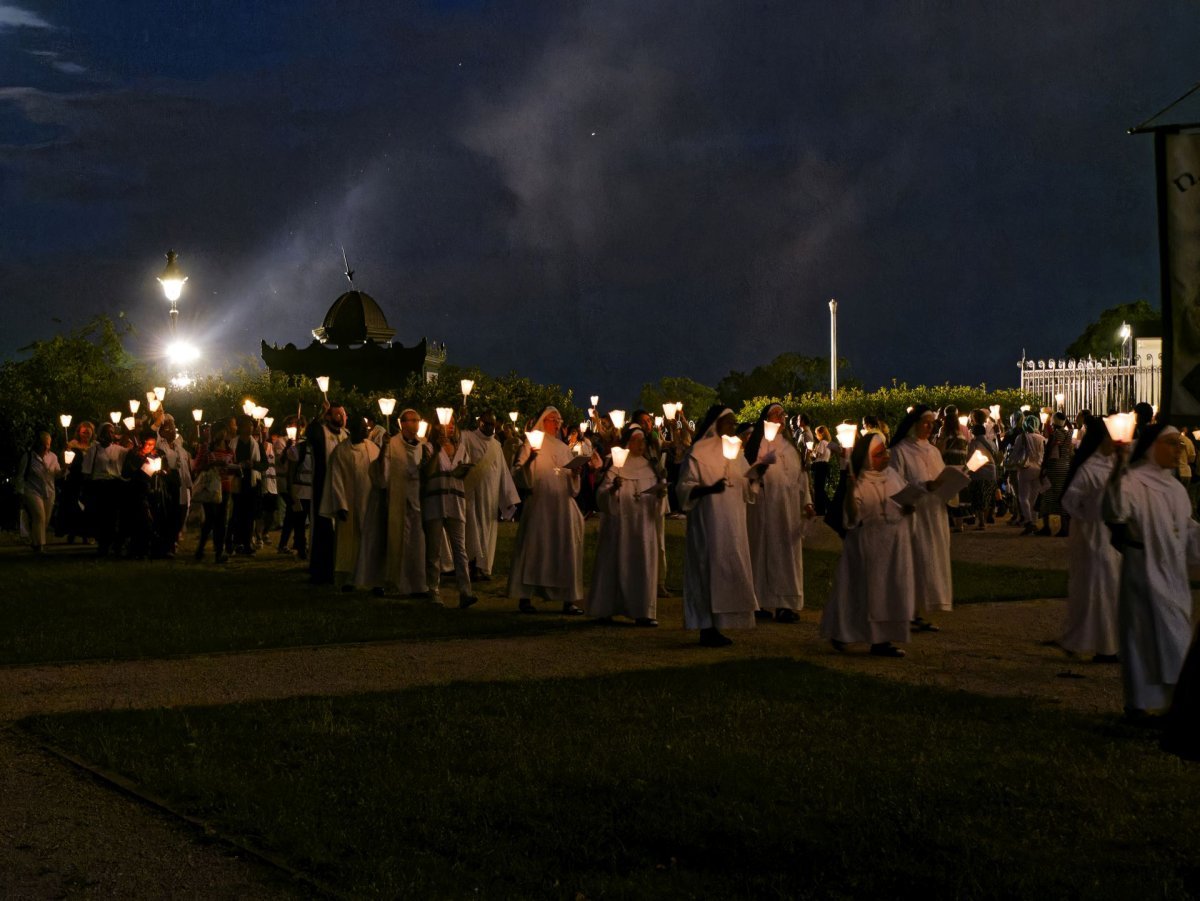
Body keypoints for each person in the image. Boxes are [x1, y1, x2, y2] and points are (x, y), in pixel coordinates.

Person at [1104, 423, 1200, 722]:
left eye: (1180, 445)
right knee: (1143, 637)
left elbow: (1187, 530)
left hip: (1171, 572)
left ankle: (1175, 704)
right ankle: (1141, 706)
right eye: (1171, 443)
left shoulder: (1174, 488)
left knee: (1177, 634)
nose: (1178, 450)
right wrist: (1119, 468)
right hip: (1143, 569)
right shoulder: (1133, 481)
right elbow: (1116, 511)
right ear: (1150, 447)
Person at [820, 432, 915, 656]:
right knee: (863, 593)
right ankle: (845, 633)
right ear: (867, 458)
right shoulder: (860, 481)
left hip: (892, 545)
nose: (885, 457)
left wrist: (909, 507)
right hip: (867, 548)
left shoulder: (893, 476)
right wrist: (851, 492)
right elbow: (851, 518)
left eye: (885, 452)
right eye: (879, 454)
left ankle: (883, 640)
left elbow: (902, 503)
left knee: (889, 591)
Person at [677, 405, 764, 647]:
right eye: (730, 422)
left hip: (732, 523)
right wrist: (709, 489)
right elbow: (684, 488)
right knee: (707, 570)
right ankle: (706, 626)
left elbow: (746, 485)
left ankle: (720, 623)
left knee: (727, 569)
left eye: (735, 424)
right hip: (708, 524)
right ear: (717, 423)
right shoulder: (698, 452)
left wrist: (758, 473)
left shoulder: (735, 451)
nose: (733, 428)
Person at [508, 406, 586, 615]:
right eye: (553, 419)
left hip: (562, 508)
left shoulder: (563, 448)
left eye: (559, 419)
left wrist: (575, 474)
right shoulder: (531, 442)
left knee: (564, 551)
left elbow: (573, 488)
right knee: (535, 549)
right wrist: (531, 460)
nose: (558, 423)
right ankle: (526, 597)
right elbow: (517, 473)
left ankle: (568, 600)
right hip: (540, 507)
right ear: (543, 421)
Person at [587, 425, 667, 626]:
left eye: (643, 441)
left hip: (643, 526)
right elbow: (601, 497)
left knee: (642, 565)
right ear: (628, 443)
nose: (641, 445)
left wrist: (660, 496)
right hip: (619, 526)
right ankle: (607, 608)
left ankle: (643, 611)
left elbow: (658, 504)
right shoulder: (615, 466)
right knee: (614, 563)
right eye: (637, 441)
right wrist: (613, 489)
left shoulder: (650, 467)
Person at [1059, 417, 1120, 663]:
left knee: (1110, 588)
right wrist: (1088, 516)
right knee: (1099, 589)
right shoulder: (1089, 468)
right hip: (1094, 534)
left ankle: (1097, 641)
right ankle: (1105, 647)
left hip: (1112, 534)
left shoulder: (1116, 463)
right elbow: (1069, 499)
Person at [744, 403, 812, 623]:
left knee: (787, 556)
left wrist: (807, 502)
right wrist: (759, 470)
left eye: (783, 415)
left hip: (787, 510)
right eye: (776, 414)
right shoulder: (756, 444)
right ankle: (759, 601)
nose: (781, 418)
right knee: (761, 552)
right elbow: (746, 474)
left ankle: (785, 604)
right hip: (764, 508)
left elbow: (801, 478)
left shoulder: (790, 447)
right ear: (765, 418)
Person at [889, 406, 952, 631]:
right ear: (913, 424)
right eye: (925, 422)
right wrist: (923, 486)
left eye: (931, 423)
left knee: (928, 562)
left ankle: (917, 612)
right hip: (913, 514)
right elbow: (894, 483)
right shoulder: (900, 450)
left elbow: (942, 477)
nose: (929, 426)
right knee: (912, 561)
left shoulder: (933, 451)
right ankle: (906, 612)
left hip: (933, 514)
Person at [420, 414, 478, 608]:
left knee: (460, 549)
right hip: (435, 502)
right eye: (446, 422)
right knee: (434, 549)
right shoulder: (427, 448)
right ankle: (433, 590)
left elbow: (464, 475)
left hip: (455, 502)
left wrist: (464, 471)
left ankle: (465, 591)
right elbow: (426, 473)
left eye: (453, 423)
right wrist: (437, 450)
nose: (450, 426)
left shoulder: (461, 449)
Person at [461, 411, 520, 582]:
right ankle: (472, 566)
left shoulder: (496, 445)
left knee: (488, 532)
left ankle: (483, 567)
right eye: (486, 424)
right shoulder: (468, 438)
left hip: (492, 497)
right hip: (473, 493)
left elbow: (503, 473)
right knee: (473, 530)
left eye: (492, 425)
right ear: (479, 422)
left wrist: (508, 499)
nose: (489, 428)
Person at [376, 408, 427, 596]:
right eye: (413, 420)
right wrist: (383, 449)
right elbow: (383, 473)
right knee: (399, 541)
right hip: (399, 500)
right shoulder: (393, 444)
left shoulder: (423, 445)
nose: (417, 423)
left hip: (419, 500)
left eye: (418, 420)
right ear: (403, 424)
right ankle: (398, 583)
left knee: (418, 544)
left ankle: (419, 584)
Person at [330, 414, 379, 590]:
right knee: (350, 542)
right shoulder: (341, 451)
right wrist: (340, 504)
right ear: (352, 430)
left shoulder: (373, 448)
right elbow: (336, 479)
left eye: (365, 427)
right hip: (349, 504)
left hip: (370, 503)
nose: (365, 430)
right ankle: (349, 577)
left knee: (371, 539)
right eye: (361, 427)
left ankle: (373, 579)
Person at [307, 402, 348, 584]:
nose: (342, 417)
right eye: (337, 414)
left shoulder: (347, 435)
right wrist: (319, 414)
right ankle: (321, 570)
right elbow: (309, 434)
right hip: (324, 487)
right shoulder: (321, 432)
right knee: (323, 529)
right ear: (329, 417)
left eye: (343, 414)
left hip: (344, 489)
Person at [81, 421, 128, 557]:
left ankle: (113, 544)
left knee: (113, 516)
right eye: (108, 432)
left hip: (113, 485)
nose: (110, 434)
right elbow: (86, 471)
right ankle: (103, 545)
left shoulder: (118, 450)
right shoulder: (93, 450)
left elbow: (132, 454)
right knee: (101, 517)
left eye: (112, 432)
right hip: (99, 486)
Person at [192, 420, 236, 563]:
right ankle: (201, 548)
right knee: (211, 518)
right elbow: (197, 467)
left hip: (225, 486)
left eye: (223, 431)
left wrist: (233, 469)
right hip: (210, 487)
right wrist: (213, 464)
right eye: (218, 431)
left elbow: (232, 466)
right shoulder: (206, 448)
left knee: (222, 520)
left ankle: (219, 551)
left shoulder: (229, 450)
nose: (222, 434)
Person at [15, 431, 62, 553]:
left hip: (49, 492)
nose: (46, 447)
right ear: (37, 444)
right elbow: (20, 476)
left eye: (48, 444)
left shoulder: (53, 457)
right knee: (39, 515)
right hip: (32, 490)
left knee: (45, 519)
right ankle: (39, 546)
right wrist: (20, 491)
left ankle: (35, 541)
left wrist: (66, 467)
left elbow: (57, 474)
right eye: (43, 444)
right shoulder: (29, 456)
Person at [1038, 412, 1073, 536]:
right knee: (1062, 496)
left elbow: (1048, 451)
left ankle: (1046, 527)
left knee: (1046, 496)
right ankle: (1064, 527)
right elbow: (1069, 425)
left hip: (1054, 467)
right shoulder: (1069, 433)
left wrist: (1043, 467)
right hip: (1065, 467)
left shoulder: (1055, 434)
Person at [59, 420, 93, 544]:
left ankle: (86, 535)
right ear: (79, 433)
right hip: (75, 479)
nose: (86, 435)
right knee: (74, 507)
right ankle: (72, 533)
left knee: (87, 508)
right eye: (84, 432)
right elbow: (66, 460)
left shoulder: (94, 446)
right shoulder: (73, 444)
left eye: (88, 433)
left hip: (88, 480)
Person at [1012, 414, 1046, 535]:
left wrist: (1017, 464)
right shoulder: (1042, 438)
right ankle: (1034, 521)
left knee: (1023, 497)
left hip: (1025, 469)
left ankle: (1029, 521)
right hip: (1039, 469)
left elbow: (1015, 455)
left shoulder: (1021, 437)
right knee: (1034, 497)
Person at [965, 424, 998, 531]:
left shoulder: (974, 443)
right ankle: (988, 517)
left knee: (978, 496)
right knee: (988, 495)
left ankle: (982, 522)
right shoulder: (991, 442)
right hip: (991, 471)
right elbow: (996, 452)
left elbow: (969, 457)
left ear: (974, 432)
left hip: (979, 472)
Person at [810, 425, 832, 516]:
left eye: (816, 433)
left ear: (821, 433)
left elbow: (817, 455)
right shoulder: (828, 443)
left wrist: (811, 451)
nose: (816, 436)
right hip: (824, 465)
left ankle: (825, 508)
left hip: (820, 466)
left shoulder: (822, 442)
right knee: (820, 488)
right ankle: (823, 509)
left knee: (818, 488)